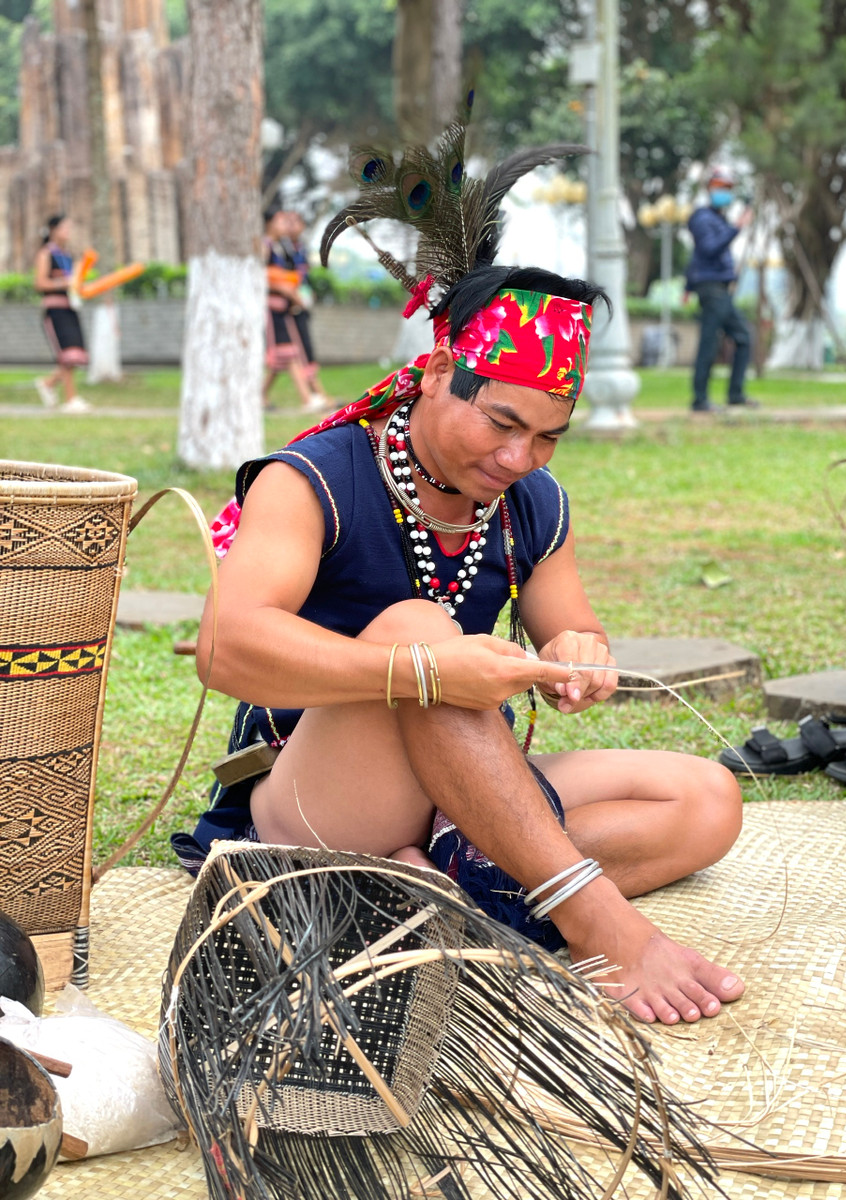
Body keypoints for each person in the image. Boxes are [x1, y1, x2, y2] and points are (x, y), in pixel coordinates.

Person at [176, 257, 746, 1028]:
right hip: (312, 800)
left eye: (548, 437)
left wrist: (580, 653)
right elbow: (224, 647)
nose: (519, 458)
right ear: (443, 369)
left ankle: (429, 897)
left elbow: (571, 624)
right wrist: (423, 668)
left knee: (707, 799)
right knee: (420, 627)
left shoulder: (532, 504)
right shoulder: (317, 476)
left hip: (457, 793)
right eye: (503, 423)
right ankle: (595, 922)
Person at [685, 166, 755, 413]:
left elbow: (695, 258)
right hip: (711, 288)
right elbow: (708, 249)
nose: (725, 193)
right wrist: (737, 227)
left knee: (742, 338)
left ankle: (735, 394)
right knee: (710, 343)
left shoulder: (716, 218)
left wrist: (686, 286)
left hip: (719, 288)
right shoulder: (702, 218)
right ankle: (700, 399)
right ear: (709, 188)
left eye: (728, 189)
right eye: (720, 188)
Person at [262, 206, 327, 415]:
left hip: (285, 307)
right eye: (282, 221)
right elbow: (259, 275)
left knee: (284, 357)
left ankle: (259, 396)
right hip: (272, 307)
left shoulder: (280, 246)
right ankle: (308, 399)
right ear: (270, 223)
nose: (286, 226)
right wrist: (283, 288)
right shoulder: (265, 245)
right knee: (289, 354)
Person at [33, 214, 91, 413]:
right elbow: (39, 283)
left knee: (76, 355)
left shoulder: (68, 256)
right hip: (55, 310)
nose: (68, 232)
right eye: (64, 228)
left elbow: (76, 282)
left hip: (71, 307)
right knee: (66, 356)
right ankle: (70, 399)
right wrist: (63, 283)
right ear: (53, 230)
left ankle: (48, 384)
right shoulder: (46, 253)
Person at [282, 209, 330, 407]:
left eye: (295, 221)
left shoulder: (301, 248)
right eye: (288, 221)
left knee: (292, 353)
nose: (291, 226)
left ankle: (263, 396)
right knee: (297, 350)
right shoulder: (282, 248)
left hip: (301, 303)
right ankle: (315, 394)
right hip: (288, 306)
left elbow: (304, 276)